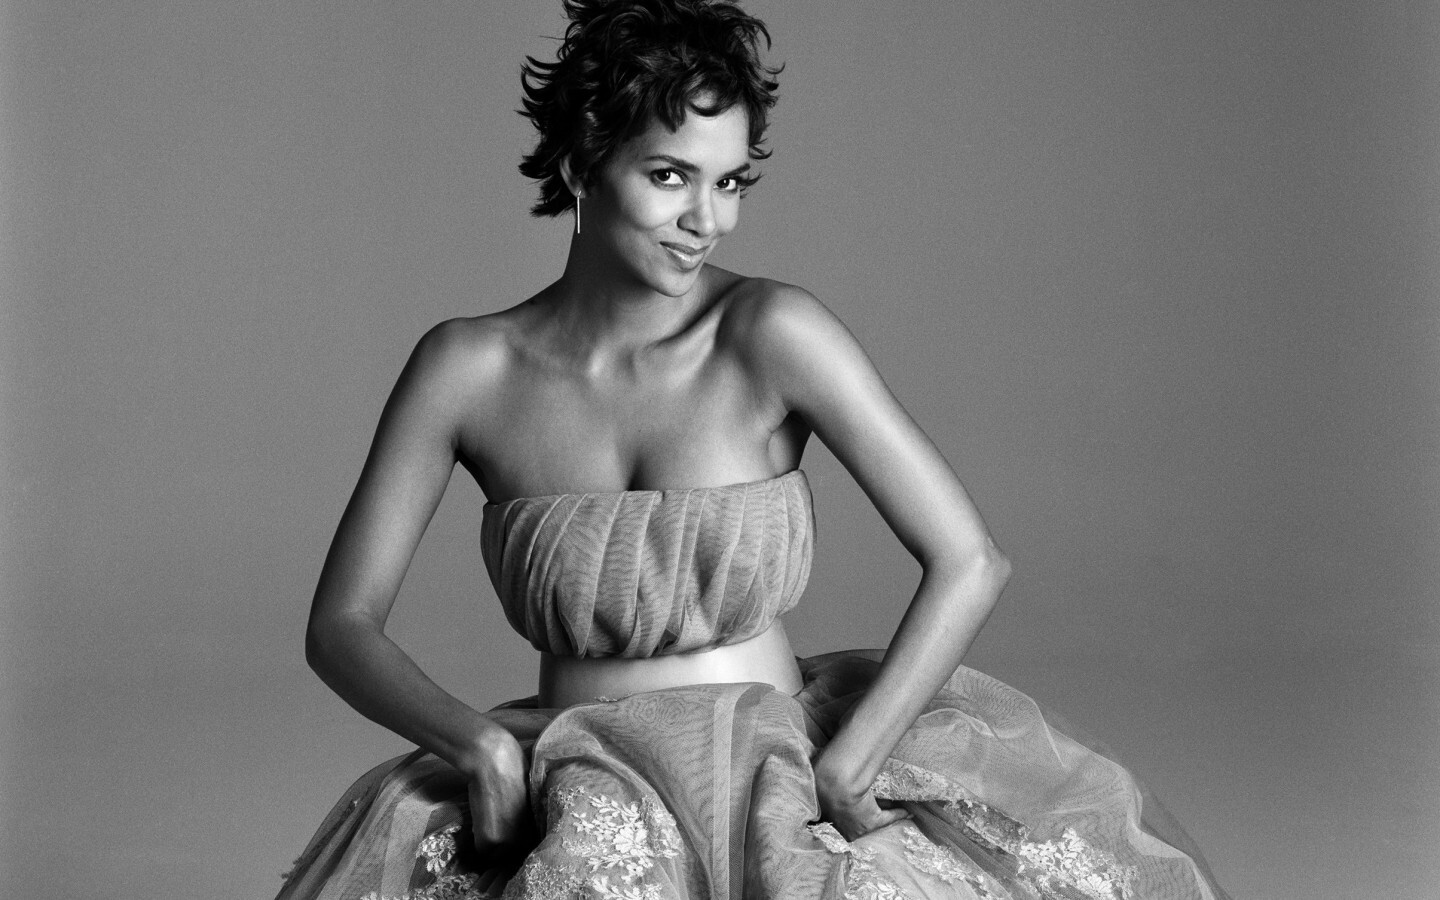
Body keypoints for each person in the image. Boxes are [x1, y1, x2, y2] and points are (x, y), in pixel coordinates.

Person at [276, 2, 1230, 898]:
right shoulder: (466, 369)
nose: (709, 219)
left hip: (782, 776)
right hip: (571, 782)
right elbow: (342, 626)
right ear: (579, 163)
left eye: (729, 180)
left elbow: (969, 560)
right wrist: (478, 745)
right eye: (669, 176)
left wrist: (850, 765)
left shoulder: (770, 332)